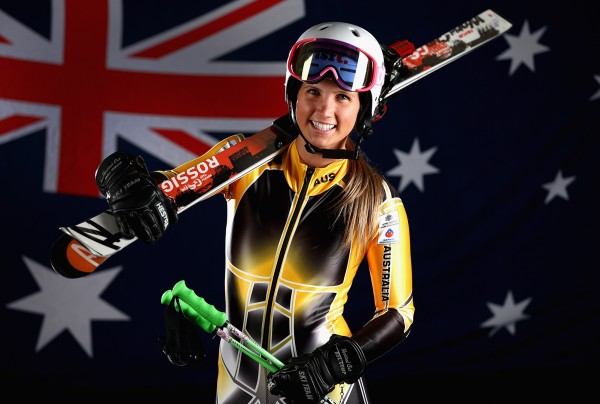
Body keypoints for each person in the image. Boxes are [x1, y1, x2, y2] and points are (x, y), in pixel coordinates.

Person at [95, 21, 414, 404]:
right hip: (235, 379)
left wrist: (337, 363)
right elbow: (171, 188)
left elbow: (398, 312)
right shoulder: (245, 164)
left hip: (322, 387)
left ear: (365, 107)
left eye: (343, 96)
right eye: (313, 90)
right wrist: (127, 184)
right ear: (294, 94)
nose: (324, 109)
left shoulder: (377, 202)